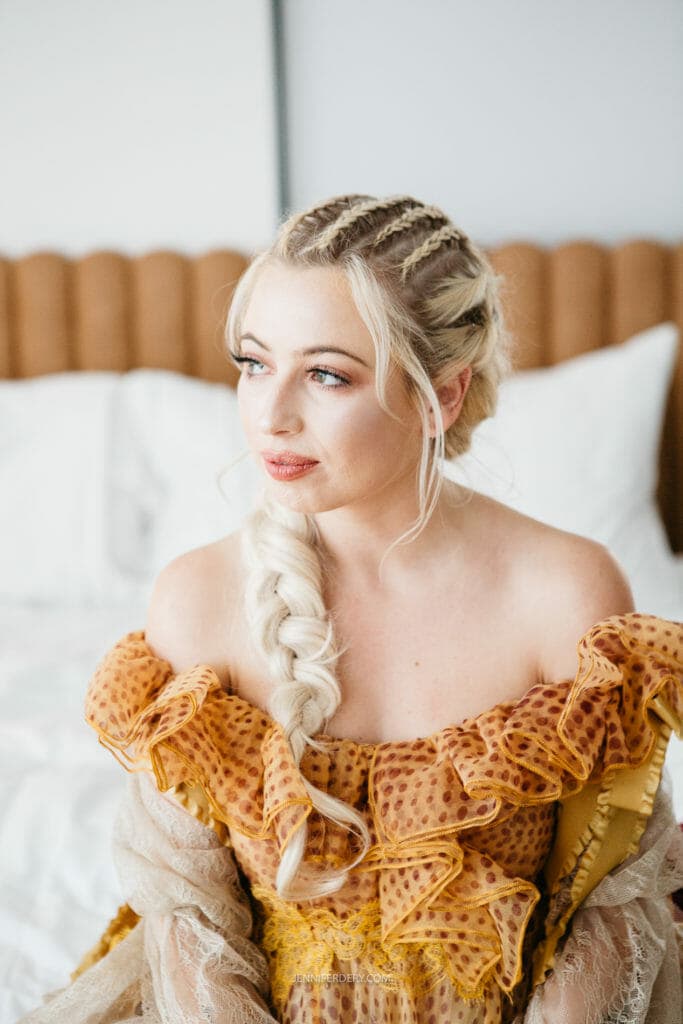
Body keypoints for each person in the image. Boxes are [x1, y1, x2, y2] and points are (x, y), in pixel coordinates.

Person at [20, 194, 683, 1024]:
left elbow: (612, 904)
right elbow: (188, 917)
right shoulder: (196, 602)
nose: (269, 414)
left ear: (441, 396)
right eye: (253, 363)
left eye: (325, 374)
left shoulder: (567, 596)